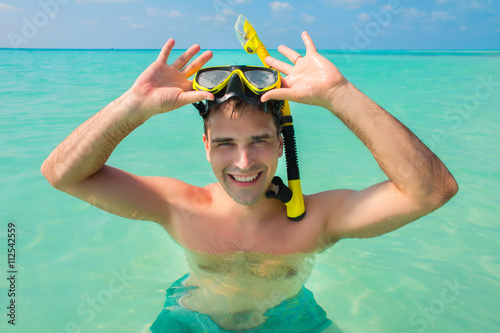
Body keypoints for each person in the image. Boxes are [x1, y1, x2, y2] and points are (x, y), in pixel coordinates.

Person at [41, 32, 458, 332]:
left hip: (292, 321)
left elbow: (431, 191)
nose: (243, 162)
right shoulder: (178, 206)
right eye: (225, 144)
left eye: (259, 141)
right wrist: (133, 106)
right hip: (191, 319)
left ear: (281, 144)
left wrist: (340, 94)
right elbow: (62, 175)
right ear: (206, 145)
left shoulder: (317, 219)